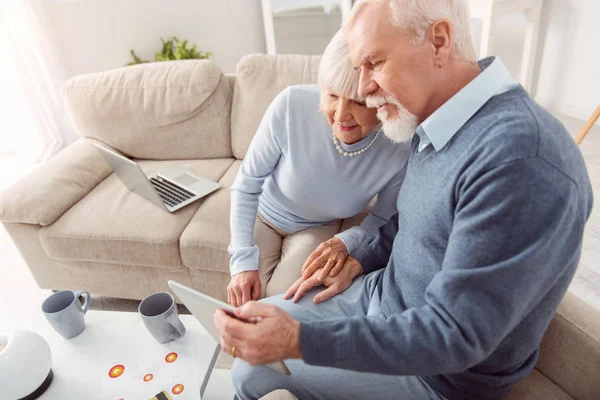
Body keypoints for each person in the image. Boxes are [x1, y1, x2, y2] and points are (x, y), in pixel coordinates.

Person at [215, 0, 594, 399]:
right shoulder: (435, 122)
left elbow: (456, 335)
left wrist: (299, 340)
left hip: (439, 375)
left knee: (251, 369)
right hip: (380, 297)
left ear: (439, 41)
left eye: (374, 63)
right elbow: (411, 219)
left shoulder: (522, 160)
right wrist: (359, 258)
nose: (361, 89)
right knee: (247, 355)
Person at [226, 29, 410, 307]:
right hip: (263, 216)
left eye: (358, 102)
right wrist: (241, 264)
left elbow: (383, 218)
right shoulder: (290, 105)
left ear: (381, 99)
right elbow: (247, 183)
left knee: (281, 304)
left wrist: (346, 241)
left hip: (318, 229)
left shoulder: (399, 144)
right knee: (244, 300)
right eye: (333, 95)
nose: (340, 115)